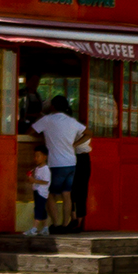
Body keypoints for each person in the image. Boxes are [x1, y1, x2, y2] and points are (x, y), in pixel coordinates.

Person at [31, 93, 87, 232]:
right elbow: (89, 133)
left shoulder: (47, 120)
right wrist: (74, 144)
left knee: (50, 194)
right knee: (67, 194)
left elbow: (30, 131)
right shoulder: (71, 121)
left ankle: (55, 224)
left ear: (52, 106)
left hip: (56, 163)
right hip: (71, 162)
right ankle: (65, 225)